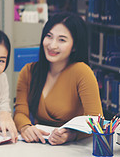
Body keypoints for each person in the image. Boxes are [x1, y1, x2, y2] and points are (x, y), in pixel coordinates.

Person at [14, 12, 102, 145]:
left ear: (75, 47)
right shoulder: (29, 71)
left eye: (62, 40)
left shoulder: (82, 72)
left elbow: (96, 120)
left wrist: (71, 135)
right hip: (40, 146)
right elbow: (20, 112)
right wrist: (25, 127)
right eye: (49, 36)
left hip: (73, 148)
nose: (52, 45)